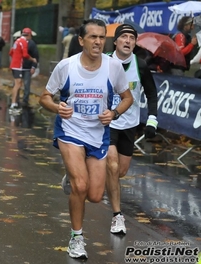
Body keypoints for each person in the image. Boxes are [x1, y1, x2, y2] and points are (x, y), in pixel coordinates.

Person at [38, 19, 133, 259]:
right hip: (70, 131)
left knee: (94, 195)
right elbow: (45, 97)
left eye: (102, 37)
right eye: (93, 37)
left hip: (98, 136)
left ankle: (71, 178)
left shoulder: (113, 67)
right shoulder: (66, 67)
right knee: (80, 185)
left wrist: (113, 113)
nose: (98, 42)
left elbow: (127, 98)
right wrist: (57, 107)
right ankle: (76, 238)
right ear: (81, 40)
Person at [105, 24, 158, 235]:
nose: (127, 41)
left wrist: (152, 119)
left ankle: (79, 175)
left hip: (129, 123)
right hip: (105, 121)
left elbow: (152, 94)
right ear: (116, 41)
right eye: (124, 37)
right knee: (112, 163)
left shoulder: (141, 65)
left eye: (132, 38)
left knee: (120, 171)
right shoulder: (103, 61)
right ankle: (118, 216)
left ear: (135, 43)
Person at [9, 28, 37, 112]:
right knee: (17, 84)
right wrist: (33, 60)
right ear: (28, 35)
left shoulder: (17, 41)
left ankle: (14, 103)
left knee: (18, 84)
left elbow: (10, 52)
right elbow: (25, 55)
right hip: (18, 66)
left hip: (15, 65)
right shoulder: (24, 42)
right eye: (30, 36)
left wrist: (15, 58)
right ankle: (13, 104)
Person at [18, 28, 39, 107]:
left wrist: (33, 67)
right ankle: (16, 99)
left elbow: (36, 56)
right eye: (24, 35)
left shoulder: (32, 44)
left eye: (27, 35)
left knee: (26, 84)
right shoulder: (19, 42)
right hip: (19, 67)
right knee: (17, 84)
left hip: (27, 67)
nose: (25, 36)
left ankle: (25, 100)